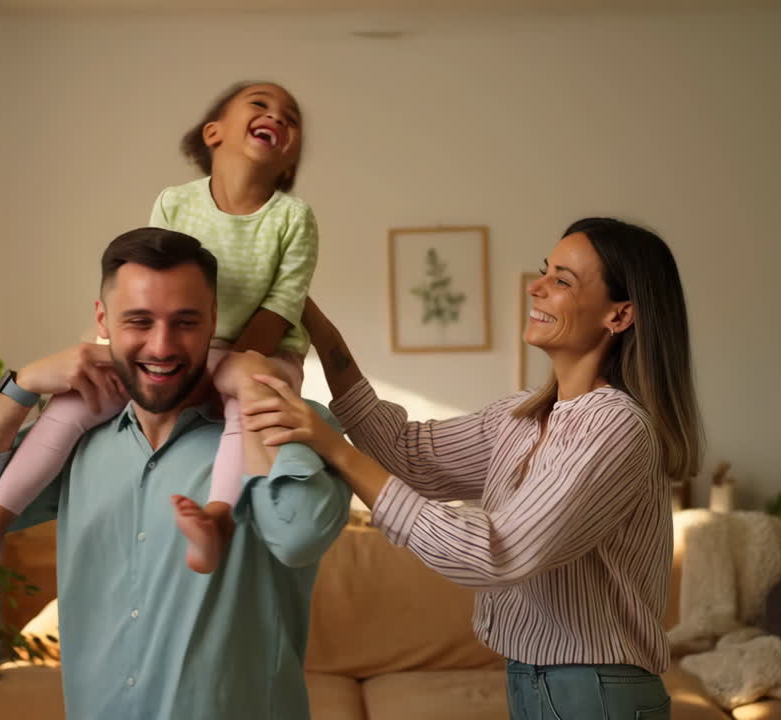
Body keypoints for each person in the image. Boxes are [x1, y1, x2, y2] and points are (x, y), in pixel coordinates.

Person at [243, 218, 703, 720]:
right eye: (545, 271)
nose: (536, 285)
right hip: (537, 679)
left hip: (594, 690)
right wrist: (307, 313)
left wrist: (332, 446)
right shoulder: (523, 416)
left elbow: (496, 552)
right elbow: (404, 451)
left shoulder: (614, 427)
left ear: (620, 315)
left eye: (562, 281)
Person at [0, 228, 349, 719]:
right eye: (138, 321)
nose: (161, 346)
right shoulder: (75, 436)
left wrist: (255, 392)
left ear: (212, 322)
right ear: (103, 320)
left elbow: (299, 535)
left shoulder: (293, 422)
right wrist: (22, 385)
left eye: (185, 322)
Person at [0, 81, 317, 573]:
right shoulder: (175, 201)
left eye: (291, 117)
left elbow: (282, 306)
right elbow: (153, 273)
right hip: (200, 352)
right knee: (70, 403)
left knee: (249, 392)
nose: (277, 116)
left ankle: (218, 518)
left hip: (258, 352)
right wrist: (30, 382)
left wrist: (220, 373)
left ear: (290, 158)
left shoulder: (293, 218)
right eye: (260, 105)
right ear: (213, 133)